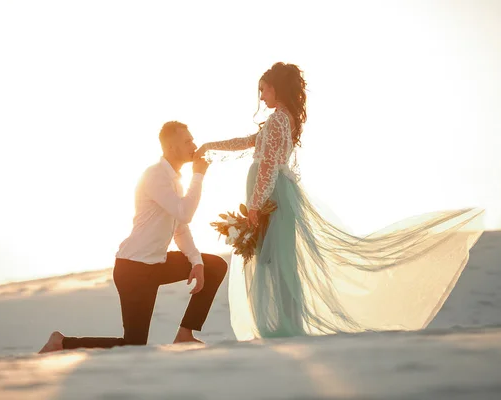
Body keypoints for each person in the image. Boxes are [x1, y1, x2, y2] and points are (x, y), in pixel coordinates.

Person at [196, 62, 484, 340]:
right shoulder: (284, 119)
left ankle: (279, 323)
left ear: (275, 88)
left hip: (272, 197)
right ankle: (285, 320)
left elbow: (269, 165)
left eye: (264, 89)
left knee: (275, 259)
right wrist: (210, 146)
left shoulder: (278, 119)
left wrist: (256, 205)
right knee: (280, 259)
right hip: (278, 193)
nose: (261, 96)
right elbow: (250, 142)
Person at [39, 121, 228, 353]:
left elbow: (180, 227)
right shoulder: (155, 176)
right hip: (133, 270)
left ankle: (185, 334)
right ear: (171, 147)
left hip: (157, 264)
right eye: (187, 141)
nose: (194, 145)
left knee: (214, 265)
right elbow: (184, 213)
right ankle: (62, 342)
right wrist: (198, 176)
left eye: (192, 139)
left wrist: (196, 262)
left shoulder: (175, 180)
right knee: (134, 345)